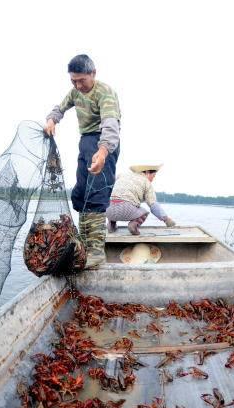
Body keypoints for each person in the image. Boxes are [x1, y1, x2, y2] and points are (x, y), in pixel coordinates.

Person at [44, 54, 121, 268]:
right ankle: (84, 246)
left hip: (104, 143)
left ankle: (96, 253)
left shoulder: (104, 93)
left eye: (82, 80)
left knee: (96, 194)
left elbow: (111, 127)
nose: (78, 85)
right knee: (81, 194)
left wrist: (103, 153)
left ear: (93, 74)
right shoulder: (75, 92)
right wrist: (51, 120)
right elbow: (59, 109)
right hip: (86, 142)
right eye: (73, 81)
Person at [106, 164, 176, 235]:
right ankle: (133, 225)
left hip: (108, 210)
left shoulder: (122, 175)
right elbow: (153, 205)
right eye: (153, 176)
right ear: (147, 172)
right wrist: (166, 219)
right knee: (144, 212)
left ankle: (111, 224)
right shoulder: (146, 182)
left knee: (114, 202)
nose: (153, 179)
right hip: (126, 209)